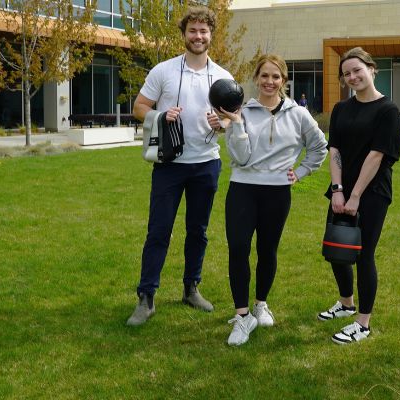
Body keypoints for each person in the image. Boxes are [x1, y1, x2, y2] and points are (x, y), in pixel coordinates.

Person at [126, 7, 234, 326]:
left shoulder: (223, 77)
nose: (198, 36)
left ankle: (191, 288)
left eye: (203, 31)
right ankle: (146, 297)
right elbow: (139, 107)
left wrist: (223, 124)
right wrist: (160, 116)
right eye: (192, 30)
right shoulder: (164, 71)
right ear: (184, 34)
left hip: (206, 164)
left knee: (197, 232)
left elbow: (232, 118)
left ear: (211, 34)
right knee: (159, 230)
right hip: (169, 165)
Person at [217, 54, 328, 346]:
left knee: (268, 250)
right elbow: (240, 157)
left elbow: (319, 147)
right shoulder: (240, 111)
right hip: (243, 188)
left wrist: (302, 170)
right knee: (238, 248)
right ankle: (242, 317)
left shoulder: (299, 114)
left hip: (277, 192)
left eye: (275, 77)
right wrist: (238, 123)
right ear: (256, 79)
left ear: (284, 80)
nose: (269, 82)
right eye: (264, 76)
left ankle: (260, 304)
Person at [318, 47, 400, 345]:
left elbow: (377, 156)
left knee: (363, 254)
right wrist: (338, 190)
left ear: (371, 69)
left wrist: (355, 197)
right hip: (342, 191)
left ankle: (362, 323)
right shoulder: (342, 109)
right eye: (346, 74)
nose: (352, 77)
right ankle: (345, 304)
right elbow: (335, 150)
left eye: (357, 70)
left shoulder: (388, 111)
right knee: (337, 251)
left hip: (372, 194)